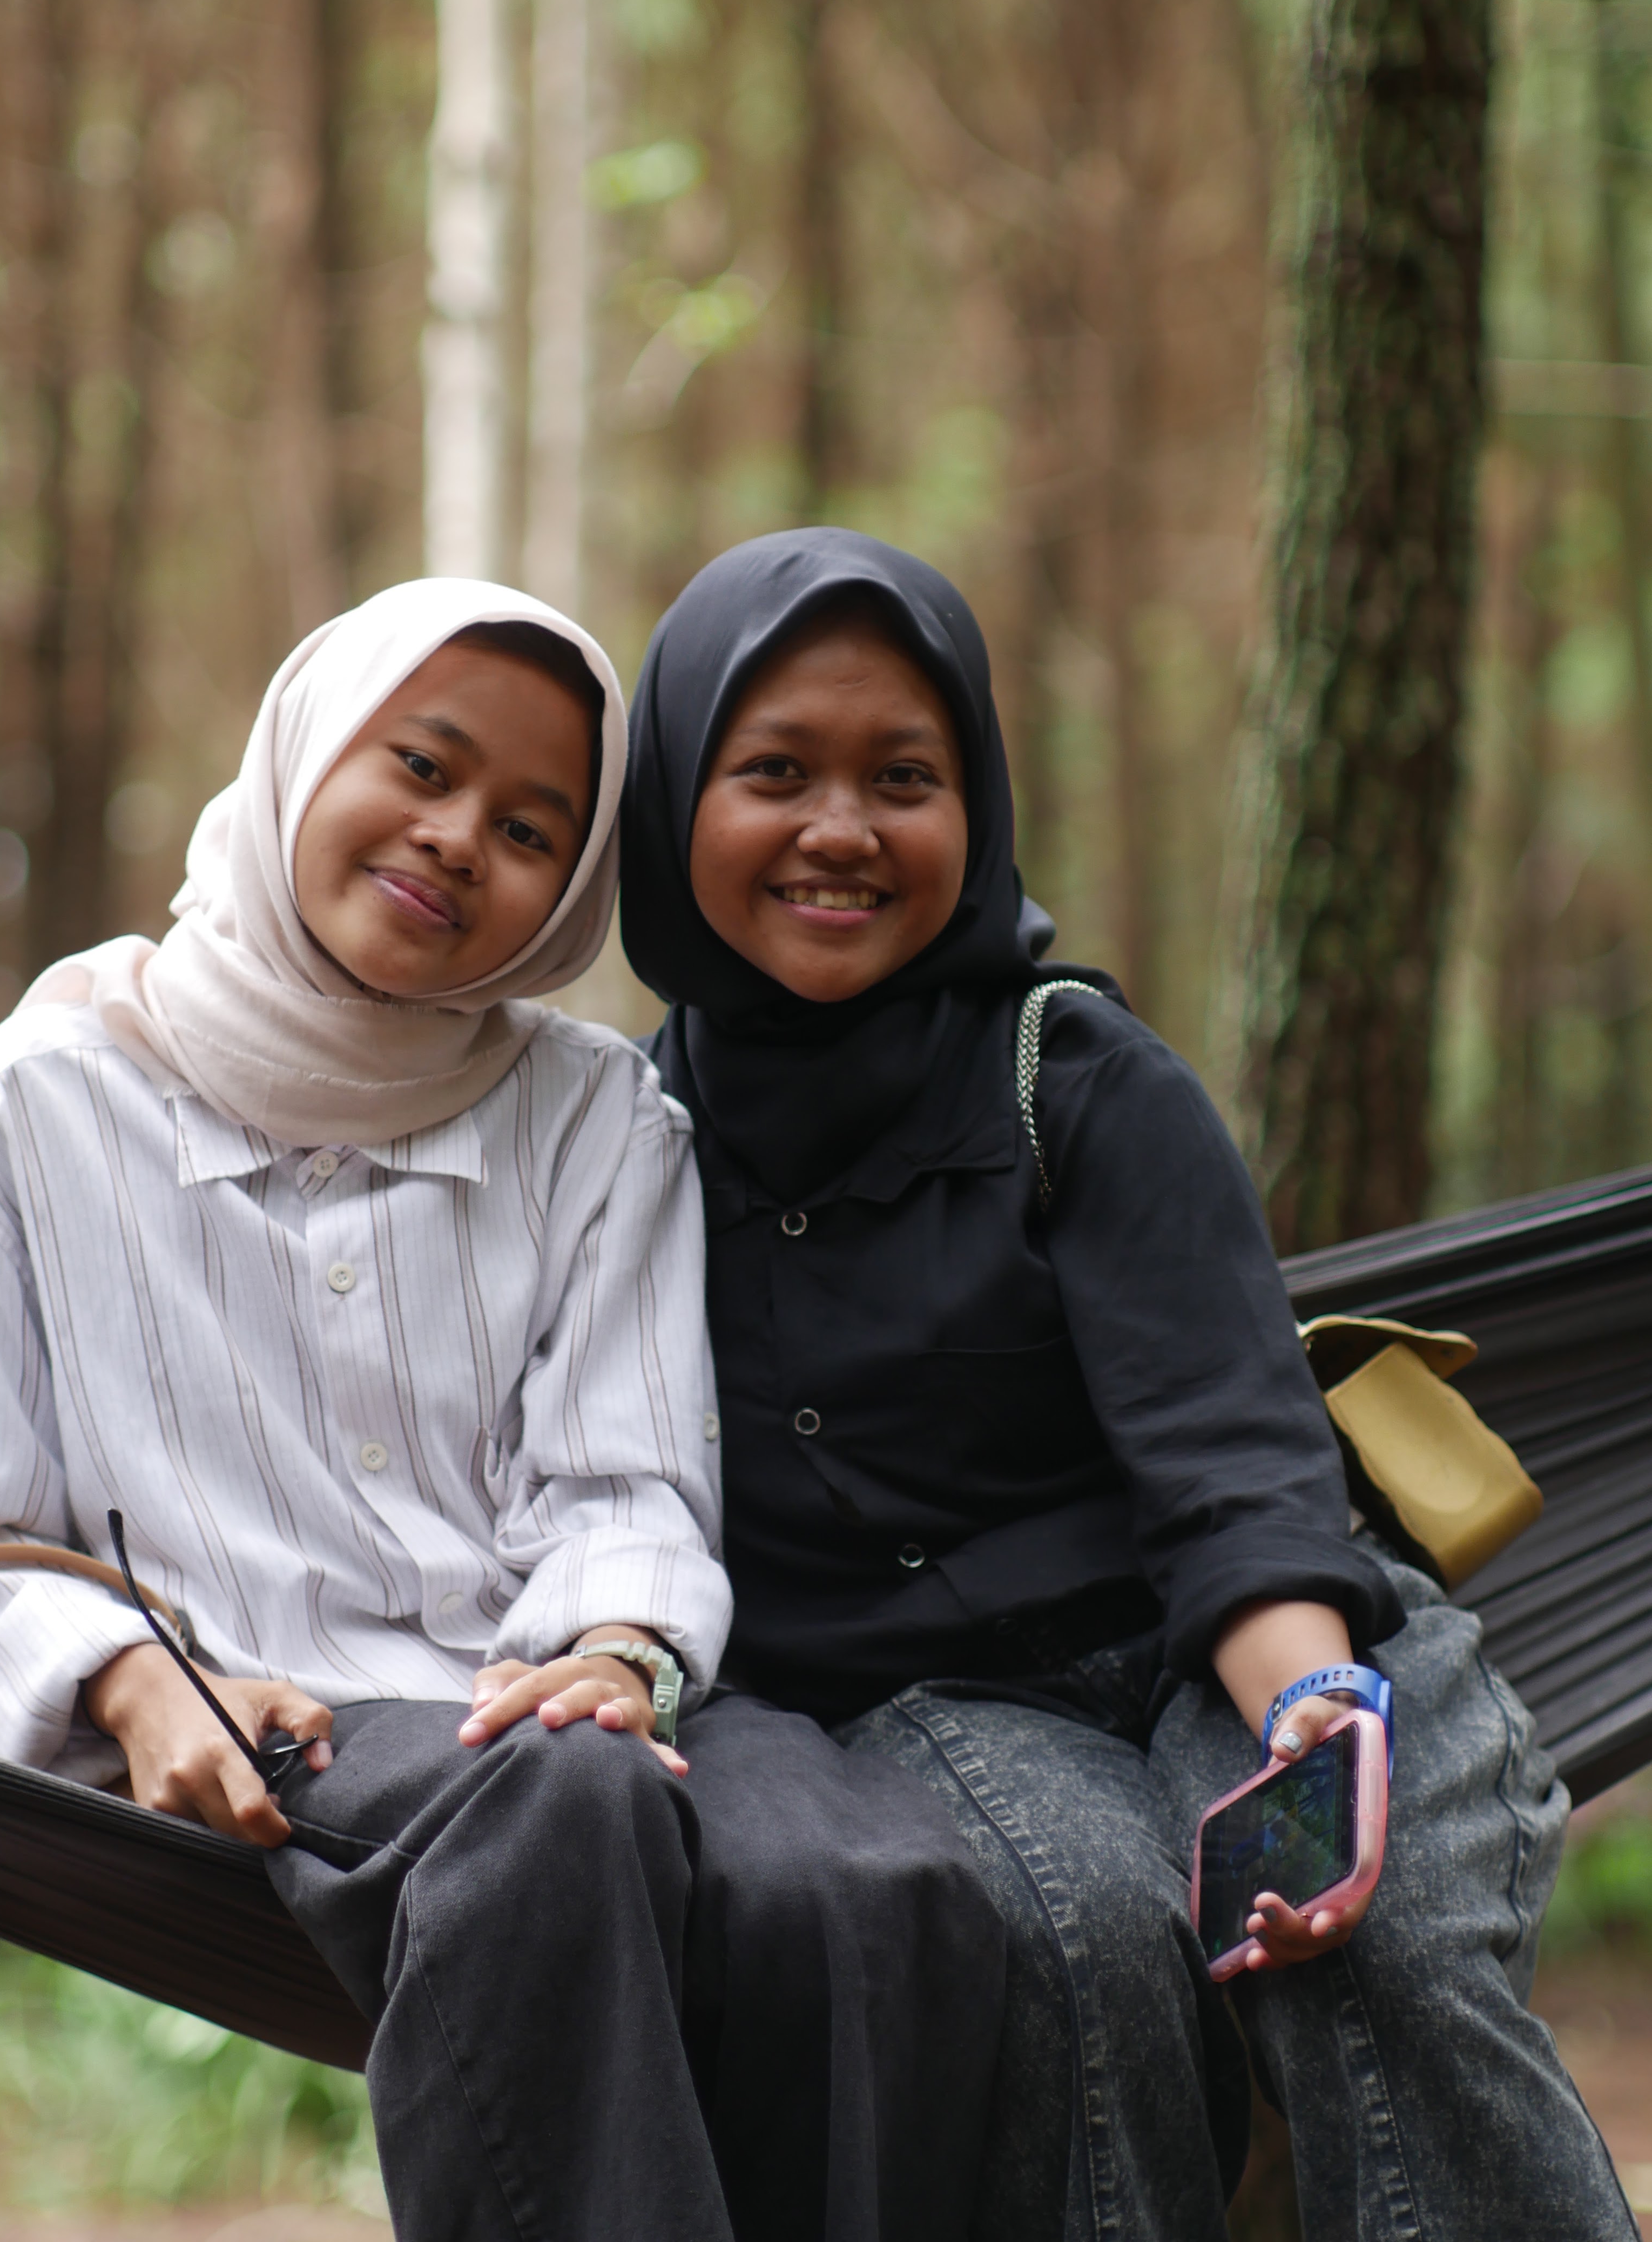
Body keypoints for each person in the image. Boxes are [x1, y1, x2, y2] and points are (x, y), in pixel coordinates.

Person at [0, 576, 1004, 2242]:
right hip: (278, 1712)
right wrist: (128, 1676)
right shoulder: (44, 1099)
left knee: (890, 1880)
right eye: (423, 767)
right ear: (305, 753)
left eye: (530, 830)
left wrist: (616, 1650)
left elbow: (626, 1485)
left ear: (570, 893)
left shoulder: (598, 1121)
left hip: (569, 1690)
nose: (460, 840)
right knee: (567, 1806)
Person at [619, 526, 1636, 2242]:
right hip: (949, 1715)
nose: (842, 829)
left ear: (978, 804)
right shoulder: (619, 1155)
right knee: (1085, 1954)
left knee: (1373, 1932)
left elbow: (1234, 1464)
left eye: (905, 778)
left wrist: (1311, 1721)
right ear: (669, 803)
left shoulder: (1073, 1076)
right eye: (775, 772)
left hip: (1258, 1649)